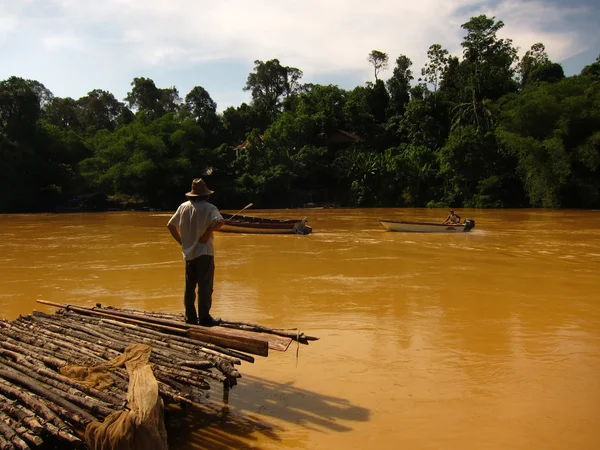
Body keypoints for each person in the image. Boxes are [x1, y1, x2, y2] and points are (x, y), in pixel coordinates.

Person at [167, 178, 225, 326]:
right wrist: (208, 233)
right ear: (206, 194)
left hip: (188, 254)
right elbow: (220, 222)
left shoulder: (183, 207)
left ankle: (190, 317)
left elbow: (170, 225)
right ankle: (204, 318)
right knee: (205, 287)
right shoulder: (210, 208)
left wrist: (182, 242)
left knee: (189, 287)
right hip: (204, 252)